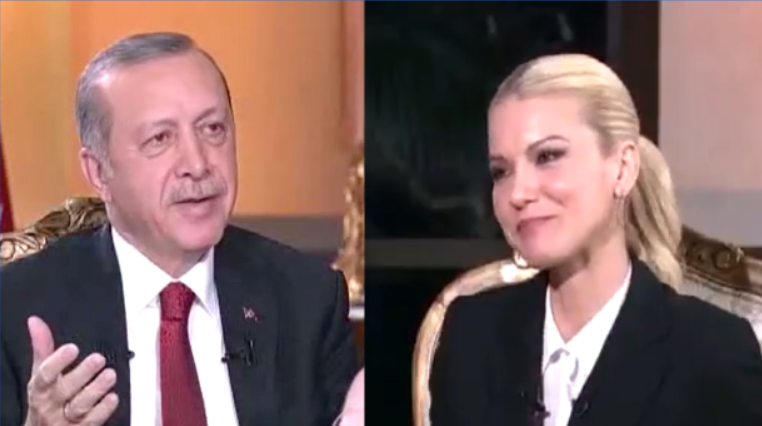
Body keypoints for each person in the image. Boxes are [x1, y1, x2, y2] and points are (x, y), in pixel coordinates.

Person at [0, 32, 358, 426]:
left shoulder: (308, 299)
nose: (198, 164)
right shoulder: (16, 308)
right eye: (160, 138)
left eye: (213, 129)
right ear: (99, 172)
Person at [429, 53, 762, 426]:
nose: (517, 193)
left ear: (622, 167)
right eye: (501, 171)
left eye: (548, 156)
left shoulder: (713, 352)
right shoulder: (470, 335)